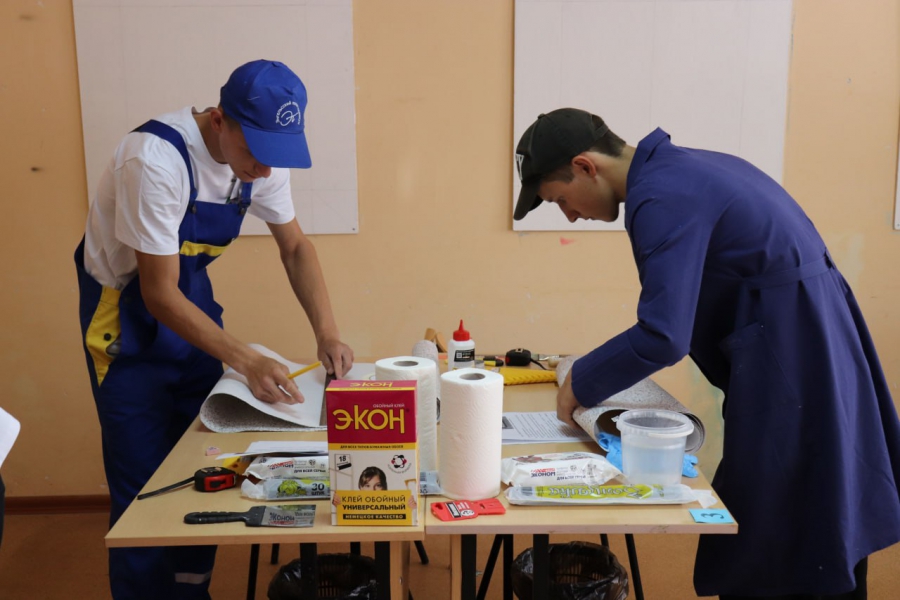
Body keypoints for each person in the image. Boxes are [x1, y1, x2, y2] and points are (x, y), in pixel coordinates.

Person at [513, 108, 900, 599]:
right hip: (817, 337)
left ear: (585, 166)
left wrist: (581, 381)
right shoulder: (691, 168)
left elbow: (663, 335)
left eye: (560, 200)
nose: (569, 216)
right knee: (826, 498)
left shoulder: (659, 197)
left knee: (790, 523)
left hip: (796, 357)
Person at [75, 60, 354, 599]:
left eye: (276, 155)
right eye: (255, 153)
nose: (265, 171)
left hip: (192, 304)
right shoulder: (153, 160)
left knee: (205, 469)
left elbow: (295, 246)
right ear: (220, 120)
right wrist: (245, 360)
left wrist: (327, 332)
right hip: (126, 321)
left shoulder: (261, 159)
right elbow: (159, 293)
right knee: (143, 488)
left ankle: (190, 590)